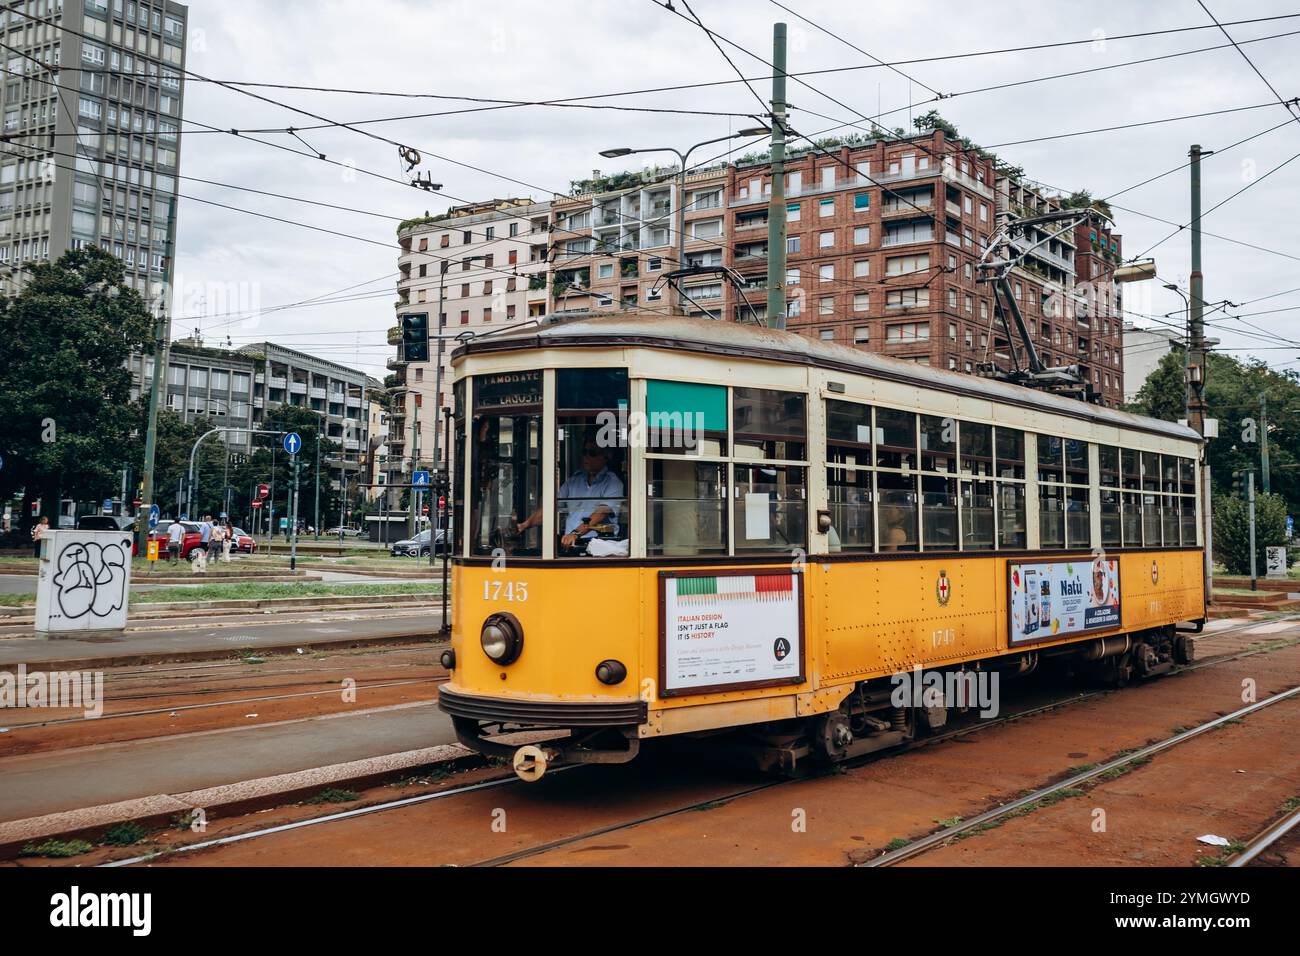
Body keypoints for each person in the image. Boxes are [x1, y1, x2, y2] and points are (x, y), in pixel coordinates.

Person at [517, 440, 623, 554]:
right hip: (570, 545)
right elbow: (552, 508)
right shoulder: (574, 480)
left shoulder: (613, 483)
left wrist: (575, 534)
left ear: (606, 457)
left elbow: (601, 513)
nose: (586, 457)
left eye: (592, 453)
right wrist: (524, 525)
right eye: (584, 452)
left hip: (598, 549)